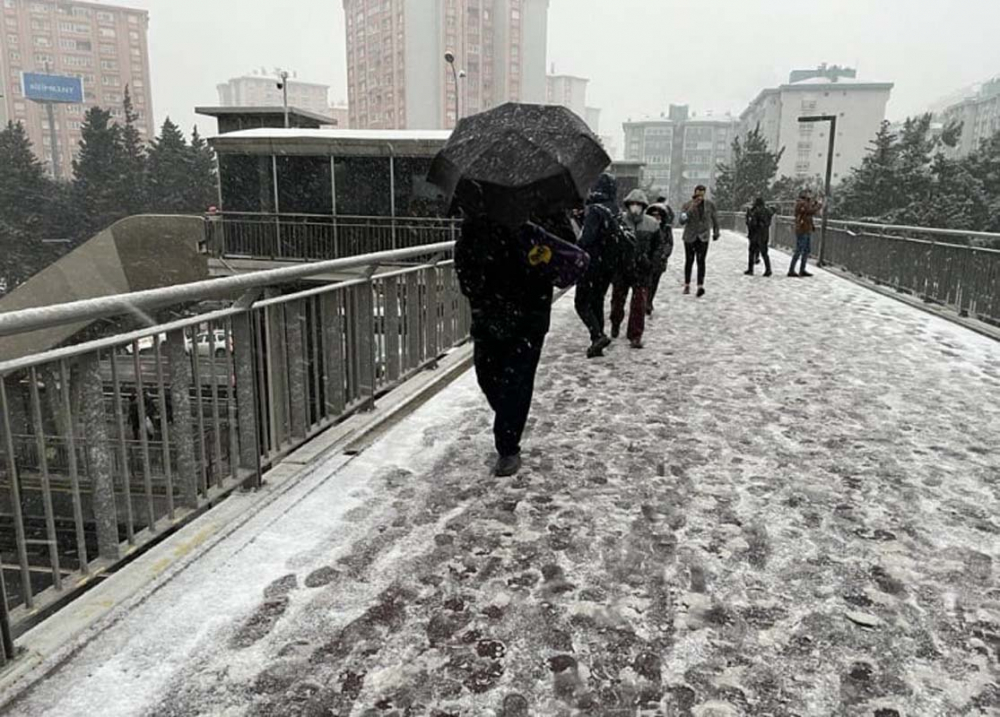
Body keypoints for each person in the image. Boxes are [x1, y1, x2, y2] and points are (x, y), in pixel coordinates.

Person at [455, 197, 564, 478]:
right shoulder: (476, 224)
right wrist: (478, 287)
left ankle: (507, 447)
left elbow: (564, 254)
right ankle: (509, 416)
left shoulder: (544, 216)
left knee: (517, 380)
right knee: (487, 375)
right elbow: (465, 268)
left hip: (529, 317)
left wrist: (536, 248)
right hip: (489, 315)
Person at [574, 172, 621, 358]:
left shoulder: (594, 209)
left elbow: (587, 239)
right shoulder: (614, 208)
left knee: (581, 303)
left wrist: (575, 248)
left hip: (591, 264)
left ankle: (597, 335)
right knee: (597, 301)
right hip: (608, 266)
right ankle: (598, 341)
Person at [610, 190, 661, 348]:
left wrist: (651, 263)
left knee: (639, 304)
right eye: (632, 204)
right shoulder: (619, 221)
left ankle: (635, 335)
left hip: (642, 269)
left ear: (644, 206)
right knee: (618, 300)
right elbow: (612, 245)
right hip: (622, 268)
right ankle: (616, 322)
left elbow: (657, 246)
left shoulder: (652, 224)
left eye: (638, 204)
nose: (635, 207)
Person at [680, 185, 720, 297]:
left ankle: (700, 286)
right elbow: (682, 220)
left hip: (703, 237)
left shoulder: (710, 205)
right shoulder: (687, 205)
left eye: (702, 194)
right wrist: (692, 207)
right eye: (698, 194)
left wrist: (716, 232)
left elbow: (715, 219)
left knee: (701, 261)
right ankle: (687, 284)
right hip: (690, 237)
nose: (700, 196)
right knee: (689, 260)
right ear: (694, 193)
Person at [646, 201, 675, 315]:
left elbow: (669, 243)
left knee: (654, 283)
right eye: (653, 215)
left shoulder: (666, 229)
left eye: (658, 216)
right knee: (646, 283)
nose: (656, 218)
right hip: (647, 260)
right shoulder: (646, 227)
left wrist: (664, 254)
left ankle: (649, 301)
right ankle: (645, 302)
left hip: (659, 261)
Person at [790, 189, 822, 278]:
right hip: (802, 229)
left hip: (806, 228)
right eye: (809, 193)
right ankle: (792, 270)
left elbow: (809, 213)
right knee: (799, 250)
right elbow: (809, 211)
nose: (810, 195)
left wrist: (811, 225)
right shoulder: (801, 203)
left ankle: (801, 269)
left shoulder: (805, 203)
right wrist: (818, 205)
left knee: (806, 250)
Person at [744, 197, 775, 276]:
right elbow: (773, 211)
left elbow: (753, 223)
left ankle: (750, 269)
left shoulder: (756, 211)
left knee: (751, 252)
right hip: (765, 233)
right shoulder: (768, 211)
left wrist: (749, 218)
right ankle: (768, 269)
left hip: (756, 234)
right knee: (764, 253)